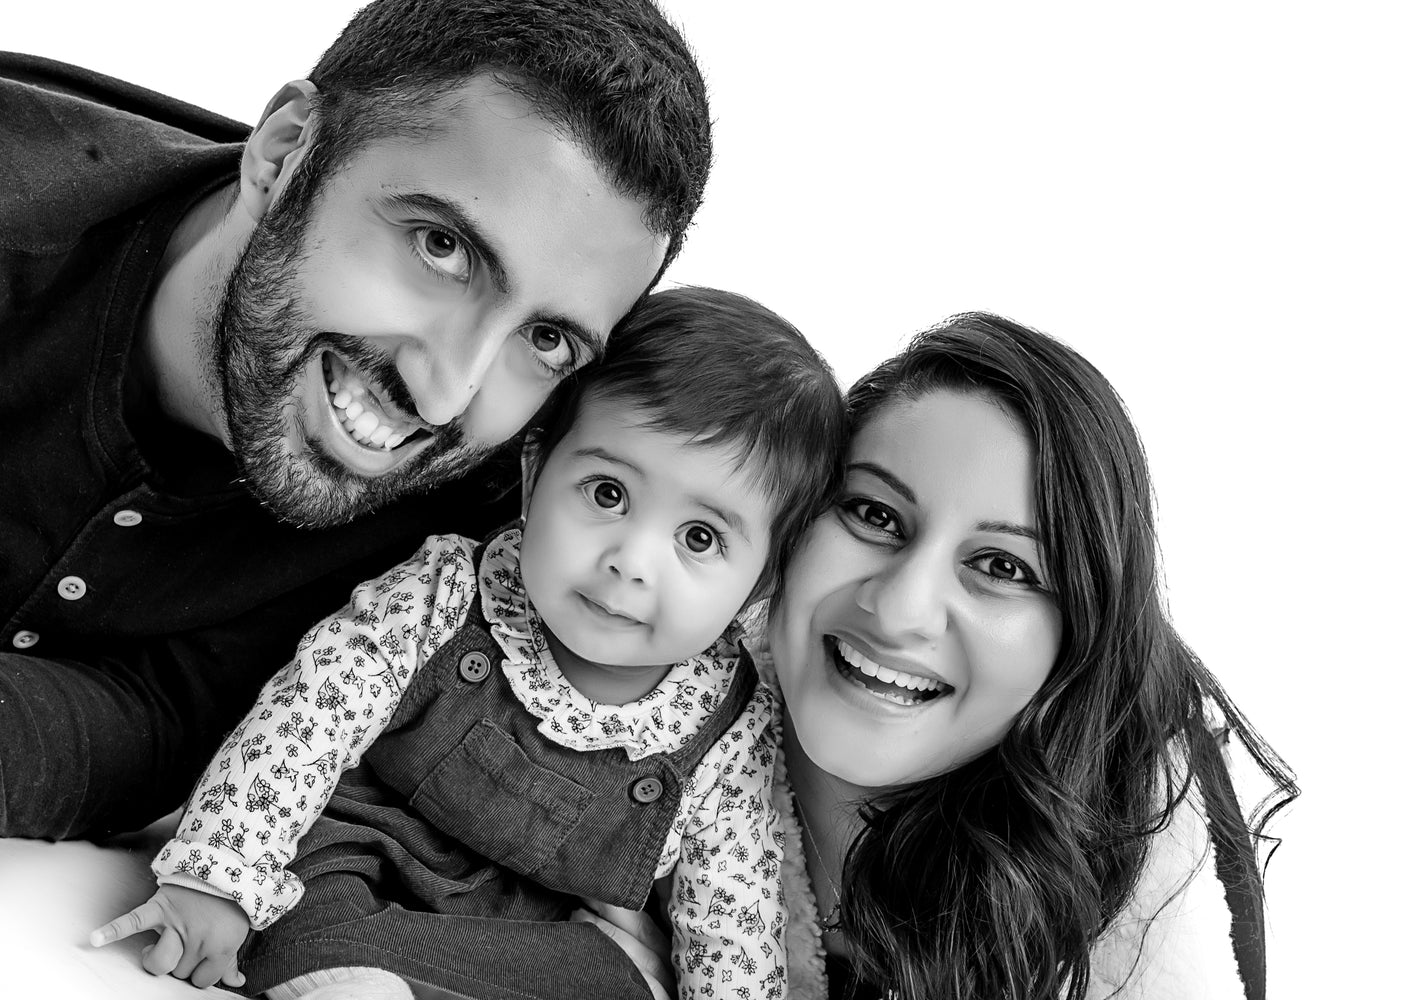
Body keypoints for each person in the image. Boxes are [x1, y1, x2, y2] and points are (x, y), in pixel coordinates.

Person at [0, 0, 712, 841]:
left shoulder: (486, 509)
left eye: (545, 337)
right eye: (442, 248)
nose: (446, 395)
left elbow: (159, 712)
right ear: (285, 152)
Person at [91, 288, 848, 1000]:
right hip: (363, 852)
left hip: (528, 924)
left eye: (699, 537)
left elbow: (734, 908)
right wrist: (219, 876)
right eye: (607, 494)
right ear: (534, 474)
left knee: (616, 977)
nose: (631, 561)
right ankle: (355, 974)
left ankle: (409, 973)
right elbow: (305, 720)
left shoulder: (726, 728)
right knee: (299, 913)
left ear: (759, 586)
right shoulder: (445, 592)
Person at [765, 313, 1298, 1000]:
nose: (901, 608)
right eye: (875, 514)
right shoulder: (628, 712)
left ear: (1075, 640)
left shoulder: (1163, 891)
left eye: (1001, 566)